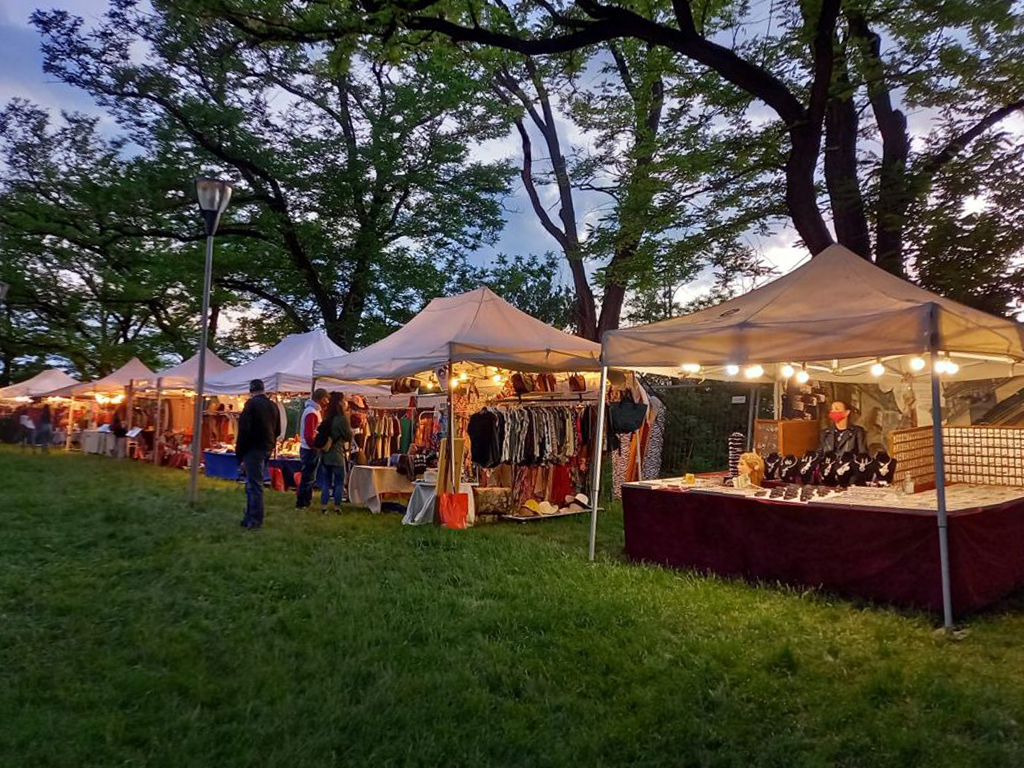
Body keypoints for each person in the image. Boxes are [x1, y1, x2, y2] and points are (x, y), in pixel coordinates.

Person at [235, 378, 282, 530]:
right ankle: (249, 517)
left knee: (254, 484)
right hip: (267, 447)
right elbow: (278, 429)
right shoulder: (273, 405)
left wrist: (240, 453)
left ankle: (254, 520)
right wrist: (271, 443)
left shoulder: (251, 405)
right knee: (254, 483)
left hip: (253, 448)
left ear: (251, 390)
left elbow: (244, 431)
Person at [319, 392, 354, 513]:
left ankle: (324, 507)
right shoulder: (342, 419)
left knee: (326, 482)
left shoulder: (326, 417)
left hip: (325, 454)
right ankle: (337, 507)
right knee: (339, 482)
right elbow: (349, 436)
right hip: (337, 454)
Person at [296, 388, 329, 509]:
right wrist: (315, 446)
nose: (327, 401)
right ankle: (302, 503)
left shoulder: (313, 411)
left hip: (308, 448)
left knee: (308, 477)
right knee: (308, 477)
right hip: (310, 449)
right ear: (321, 399)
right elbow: (309, 434)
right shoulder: (312, 412)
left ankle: (304, 502)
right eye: (326, 398)